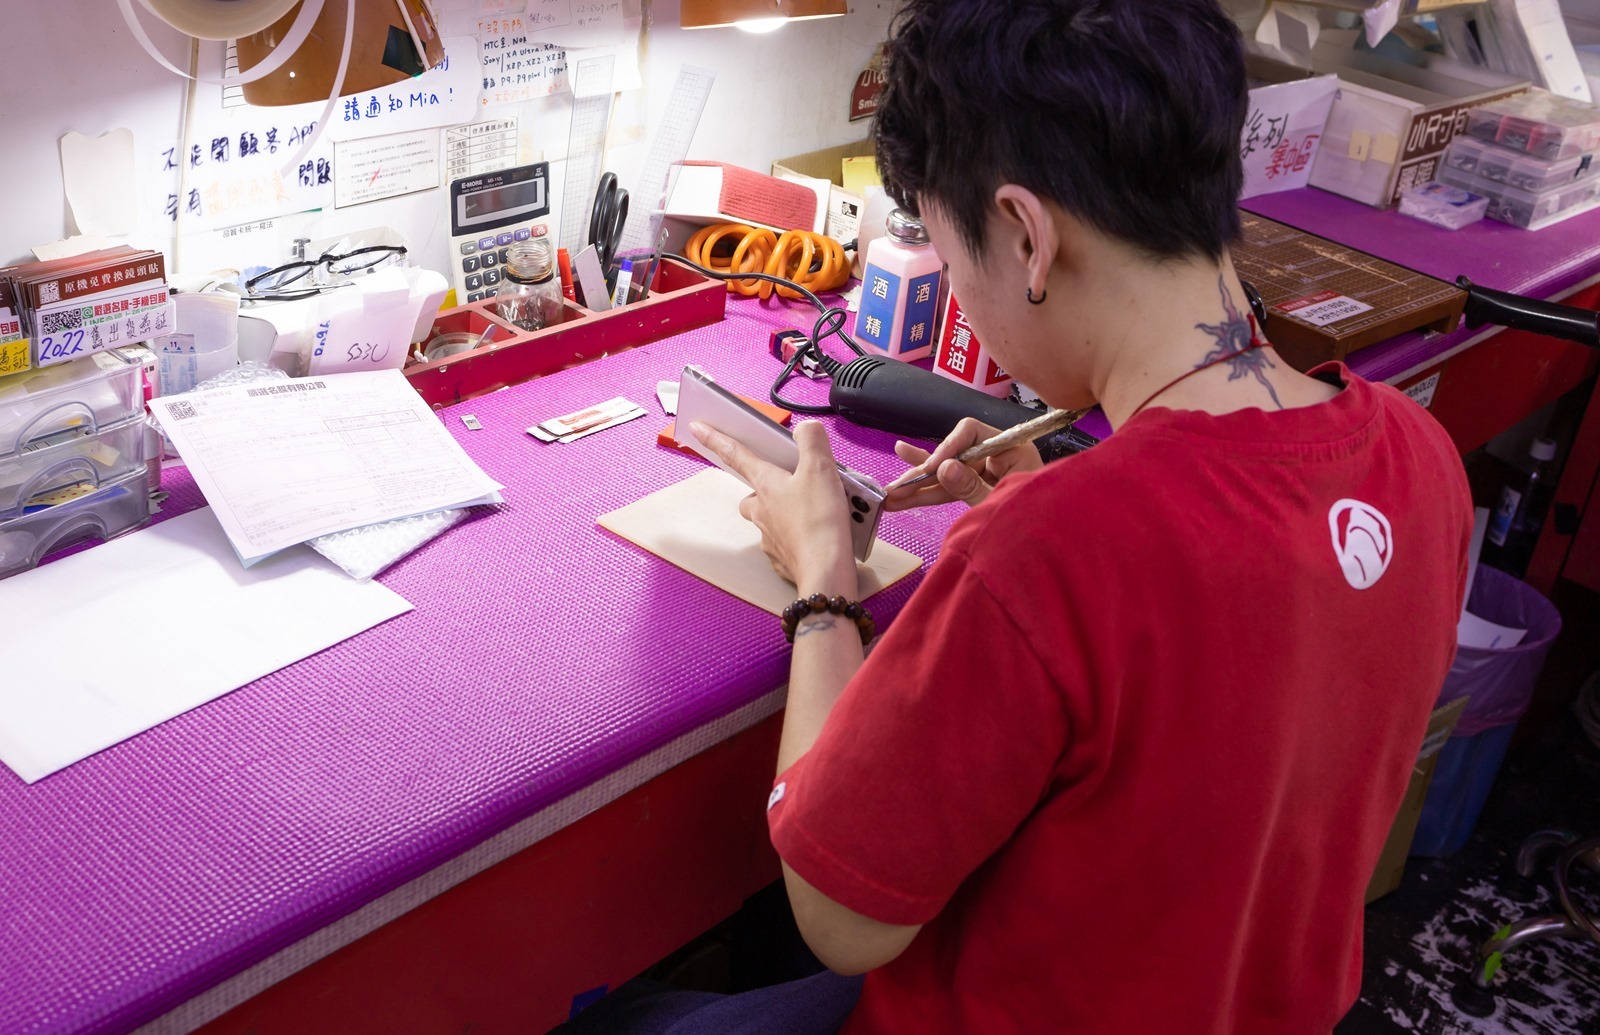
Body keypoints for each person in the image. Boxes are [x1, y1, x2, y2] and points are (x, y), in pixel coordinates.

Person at [571, 1, 1473, 1031]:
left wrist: (824, 582)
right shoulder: (1418, 454)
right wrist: (1061, 529)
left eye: (952, 262)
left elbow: (841, 919)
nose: (966, 304)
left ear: (1027, 236)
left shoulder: (1050, 551)